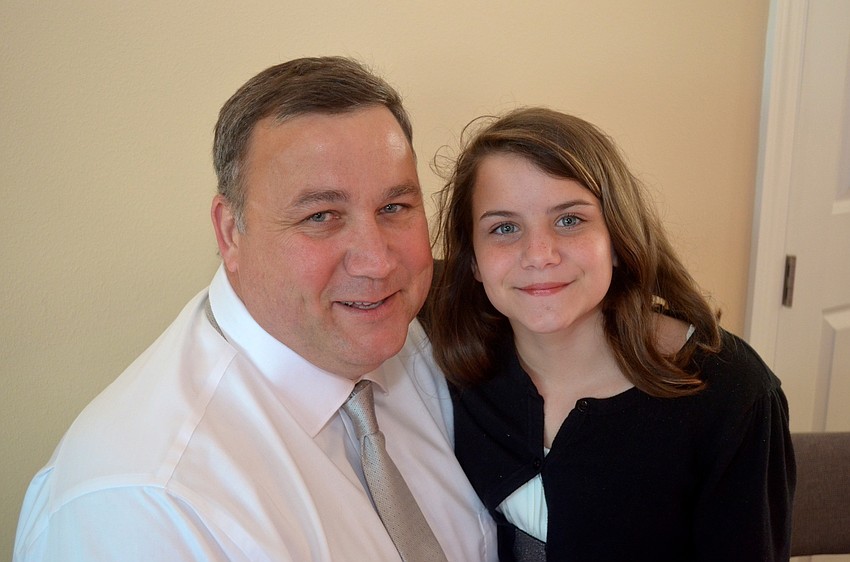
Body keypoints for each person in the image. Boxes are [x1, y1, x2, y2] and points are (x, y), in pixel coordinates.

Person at [13, 57, 496, 562]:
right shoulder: (144, 505)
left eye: (394, 207)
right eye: (321, 216)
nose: (377, 262)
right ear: (229, 233)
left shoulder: (406, 337)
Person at [427, 107, 795, 561]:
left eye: (569, 220)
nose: (539, 255)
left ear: (618, 240)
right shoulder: (461, 357)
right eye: (504, 228)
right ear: (474, 262)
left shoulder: (733, 395)